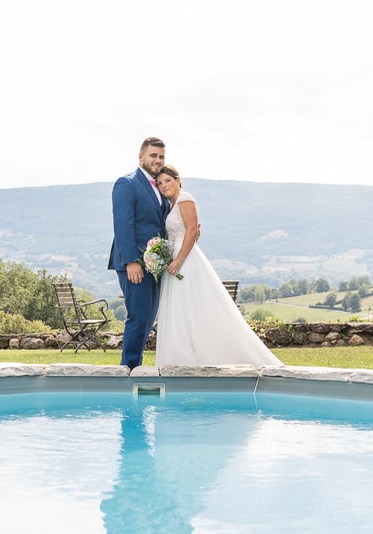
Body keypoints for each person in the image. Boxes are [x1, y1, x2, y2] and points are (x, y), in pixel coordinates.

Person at [153, 166, 281, 367]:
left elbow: (192, 229)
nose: (163, 186)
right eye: (159, 183)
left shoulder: (185, 198)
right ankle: (182, 359)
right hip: (175, 261)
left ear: (178, 180)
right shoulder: (171, 205)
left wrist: (178, 260)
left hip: (184, 261)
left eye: (167, 181)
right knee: (181, 310)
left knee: (192, 307)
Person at [108, 137, 173, 370]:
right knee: (138, 316)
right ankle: (129, 367)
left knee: (148, 317)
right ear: (141, 156)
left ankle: (135, 366)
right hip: (134, 263)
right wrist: (131, 262)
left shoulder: (160, 187)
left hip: (155, 265)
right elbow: (123, 225)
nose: (157, 160)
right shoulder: (127, 183)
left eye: (161, 156)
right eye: (153, 155)